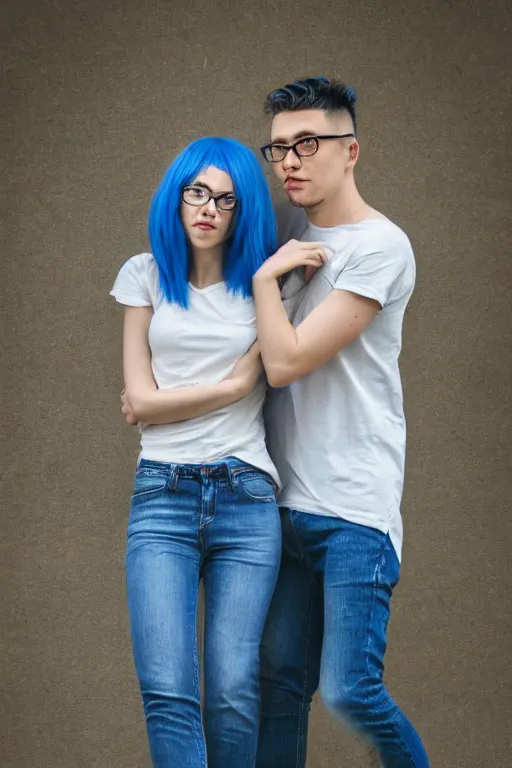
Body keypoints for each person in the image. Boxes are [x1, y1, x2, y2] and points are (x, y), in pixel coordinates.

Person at [253, 78, 431, 767]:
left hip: (354, 509)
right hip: (281, 506)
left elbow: (288, 360)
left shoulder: (382, 247)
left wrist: (267, 282)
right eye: (278, 149)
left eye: (307, 144)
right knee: (277, 687)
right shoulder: (288, 232)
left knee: (351, 692)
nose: (290, 161)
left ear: (350, 150)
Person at [110, 136, 282, 768]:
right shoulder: (144, 274)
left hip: (246, 498)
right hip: (162, 497)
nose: (209, 207)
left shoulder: (266, 285)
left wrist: (163, 401)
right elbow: (140, 402)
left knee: (233, 690)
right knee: (166, 691)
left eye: (227, 199)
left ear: (243, 212)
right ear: (177, 195)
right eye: (198, 191)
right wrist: (235, 385)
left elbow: (152, 403)